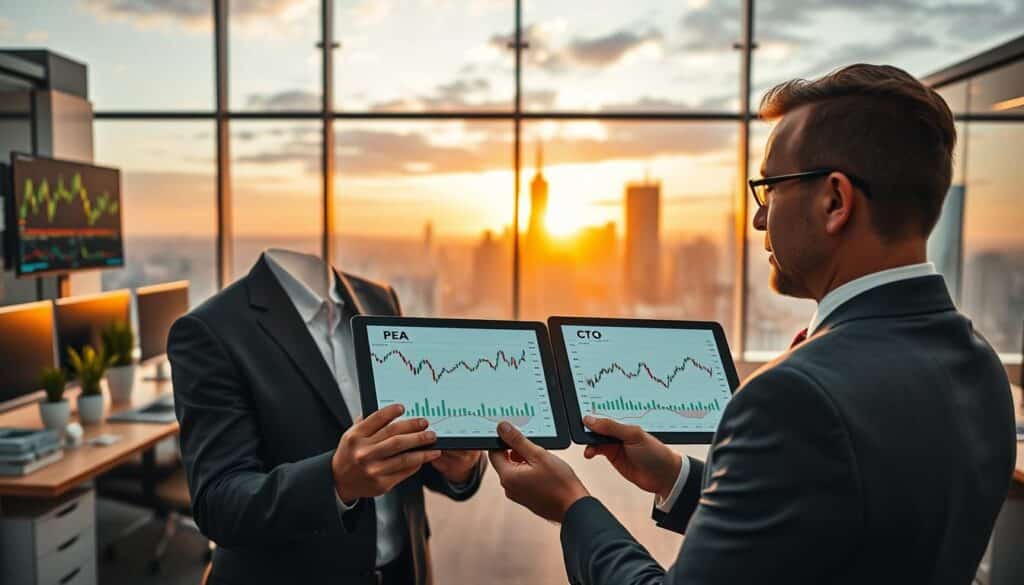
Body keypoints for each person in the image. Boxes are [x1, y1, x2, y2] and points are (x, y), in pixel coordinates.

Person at [489, 64, 1016, 584]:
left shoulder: (794, 397)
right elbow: (831, 532)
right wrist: (675, 477)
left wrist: (573, 506)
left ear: (835, 201)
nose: (759, 219)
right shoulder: (978, 365)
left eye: (770, 189)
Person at [169, 249, 486, 585]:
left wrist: (459, 468)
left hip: (404, 570)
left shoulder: (379, 298)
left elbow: (403, 439)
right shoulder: (211, 329)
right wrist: (334, 481)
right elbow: (219, 501)